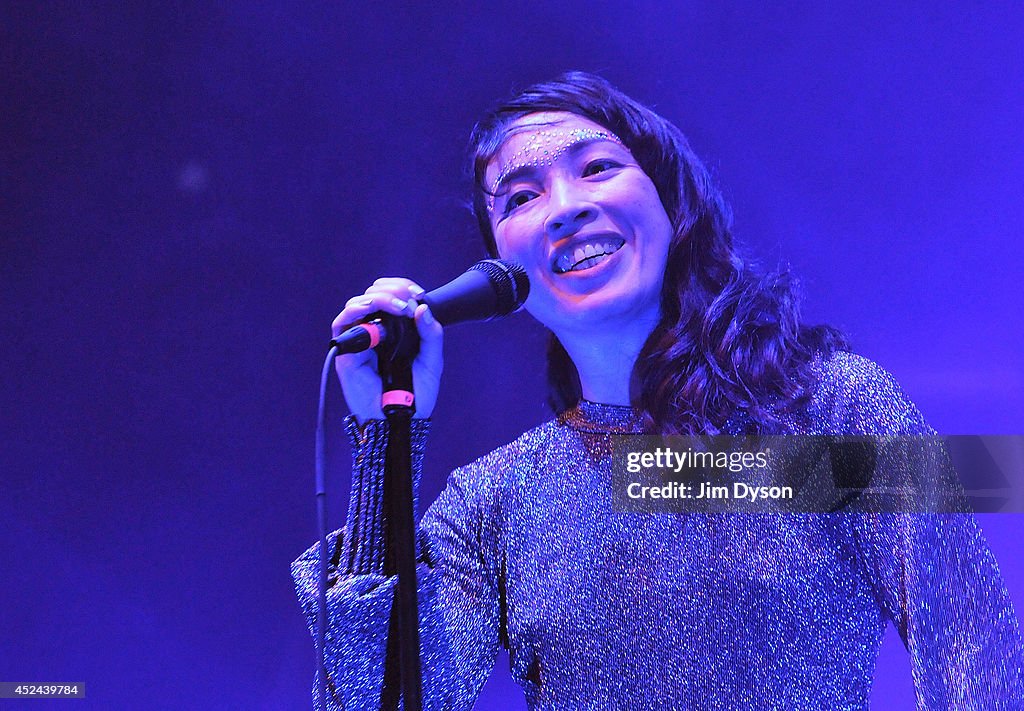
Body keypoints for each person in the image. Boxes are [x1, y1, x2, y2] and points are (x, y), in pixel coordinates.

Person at [292, 72, 1023, 710]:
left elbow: (975, 651)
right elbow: (372, 700)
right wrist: (384, 436)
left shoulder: (832, 410)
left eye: (599, 167)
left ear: (670, 202)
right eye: (520, 196)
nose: (564, 206)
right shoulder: (497, 500)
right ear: (501, 270)